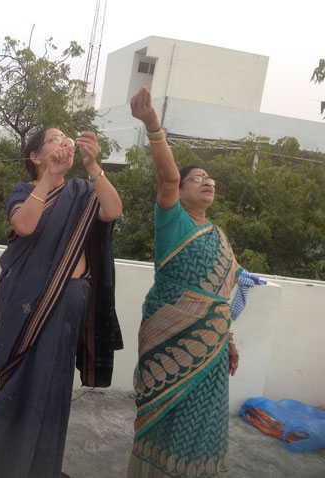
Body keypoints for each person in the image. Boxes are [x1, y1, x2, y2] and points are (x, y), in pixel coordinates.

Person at [127, 87, 265, 477]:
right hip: (172, 339)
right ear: (182, 189)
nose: (208, 182)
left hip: (213, 345)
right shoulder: (173, 222)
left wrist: (230, 342)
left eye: (210, 178)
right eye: (197, 178)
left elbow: (222, 292)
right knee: (164, 419)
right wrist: (153, 125)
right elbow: (167, 176)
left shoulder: (219, 235)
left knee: (205, 421)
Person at [0, 128, 124, 478]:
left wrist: (93, 167)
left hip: (71, 301)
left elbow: (113, 210)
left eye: (66, 139)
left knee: (55, 387)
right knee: (19, 384)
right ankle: (3, 469)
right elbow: (25, 226)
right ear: (35, 156)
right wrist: (49, 177)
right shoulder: (25, 190)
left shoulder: (84, 191)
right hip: (27, 305)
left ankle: (42, 469)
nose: (64, 144)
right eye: (54, 140)